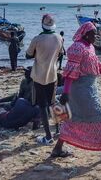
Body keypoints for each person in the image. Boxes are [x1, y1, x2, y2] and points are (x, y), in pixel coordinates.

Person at [51, 22, 101, 162]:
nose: (96, 36)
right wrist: (65, 92)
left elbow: (99, 66)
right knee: (98, 117)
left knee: (72, 119)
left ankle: (57, 148)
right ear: (86, 34)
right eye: (93, 33)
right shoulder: (78, 48)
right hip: (80, 90)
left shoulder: (90, 47)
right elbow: (70, 73)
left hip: (90, 88)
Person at [26, 14, 63, 145]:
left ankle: (48, 137)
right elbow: (61, 53)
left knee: (42, 106)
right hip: (52, 74)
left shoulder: (37, 39)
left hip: (39, 76)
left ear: (42, 24)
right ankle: (59, 130)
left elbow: (28, 55)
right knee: (53, 103)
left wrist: (38, 52)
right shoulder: (59, 38)